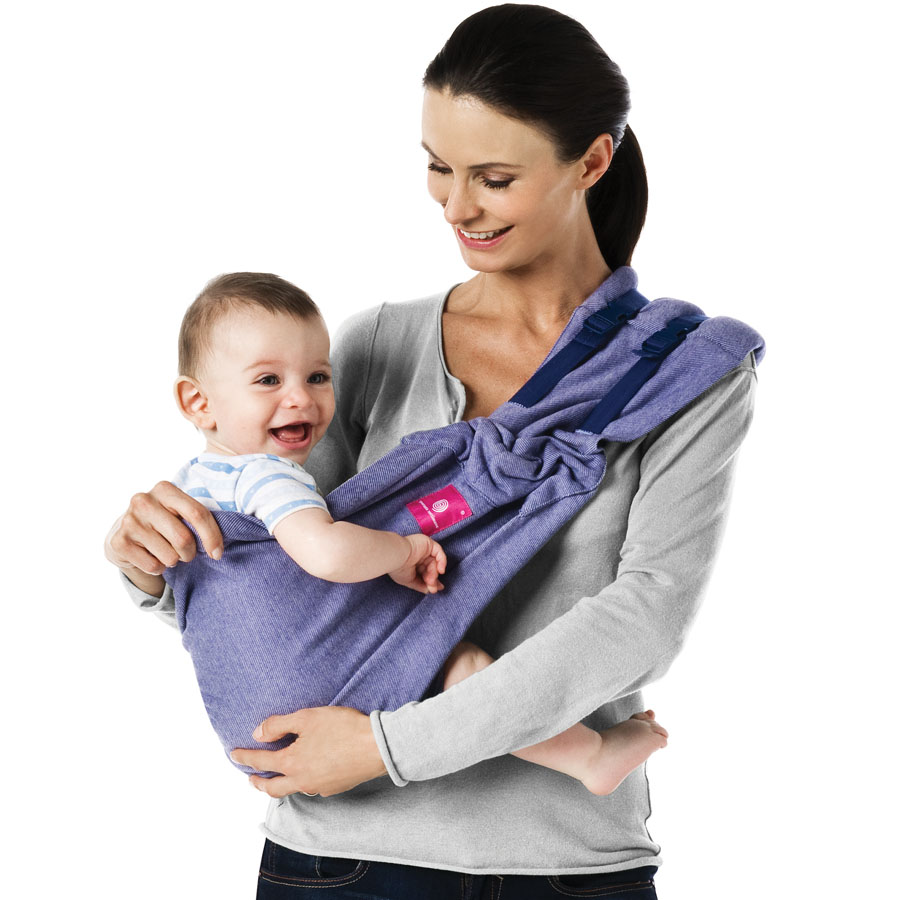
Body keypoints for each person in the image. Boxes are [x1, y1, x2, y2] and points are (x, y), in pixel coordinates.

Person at [106, 5, 758, 897]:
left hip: (563, 862)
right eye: (437, 167)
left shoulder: (679, 372)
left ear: (592, 162)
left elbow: (645, 618)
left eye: (493, 177)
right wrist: (152, 564)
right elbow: (282, 592)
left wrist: (388, 747)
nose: (456, 206)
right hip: (340, 859)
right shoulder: (372, 345)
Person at [123, 269, 670, 793]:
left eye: (317, 377)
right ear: (198, 402)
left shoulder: (187, 487)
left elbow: (203, 596)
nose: (301, 398)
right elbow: (327, 554)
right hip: (309, 690)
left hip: (248, 728)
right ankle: (588, 756)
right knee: (459, 661)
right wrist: (404, 548)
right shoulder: (266, 476)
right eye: (269, 380)